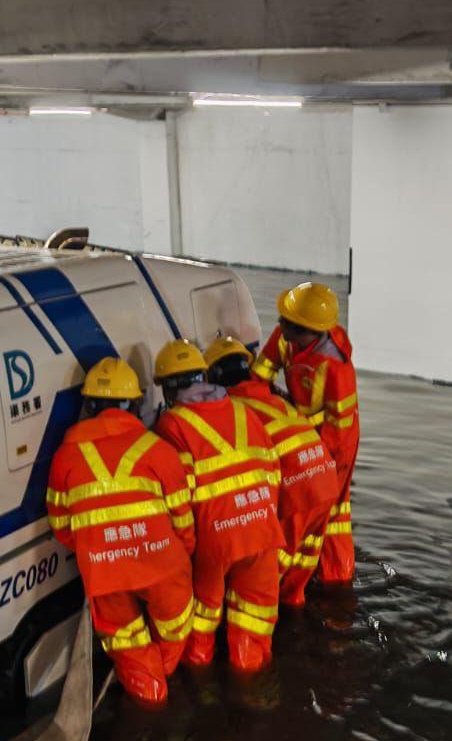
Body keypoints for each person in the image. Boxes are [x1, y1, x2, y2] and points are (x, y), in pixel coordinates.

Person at [45, 357, 194, 706]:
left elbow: (62, 529)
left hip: (104, 572)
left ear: (89, 404)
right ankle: (170, 684)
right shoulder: (159, 450)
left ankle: (152, 700)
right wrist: (181, 553)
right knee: (174, 630)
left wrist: (99, 550)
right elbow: (183, 520)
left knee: (129, 648)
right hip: (163, 566)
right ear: (134, 402)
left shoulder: (64, 457)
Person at [151, 338, 282, 672]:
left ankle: (203, 696)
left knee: (202, 630)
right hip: (263, 530)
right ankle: (254, 694)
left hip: (215, 540)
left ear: (168, 388)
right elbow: (272, 470)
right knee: (254, 624)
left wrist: (188, 552)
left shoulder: (173, 424)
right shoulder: (242, 410)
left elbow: (181, 497)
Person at [206, 336, 338, 607]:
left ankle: (272, 622)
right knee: (303, 560)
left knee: (266, 577)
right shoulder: (271, 398)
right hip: (325, 479)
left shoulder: (234, 412)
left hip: (298, 491)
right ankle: (296, 607)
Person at [252, 282, 359, 586]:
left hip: (335, 443)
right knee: (314, 509)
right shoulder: (286, 338)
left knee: (328, 509)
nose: (278, 323)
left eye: (285, 321)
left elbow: (340, 431)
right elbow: (259, 378)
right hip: (301, 433)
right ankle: (314, 572)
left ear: (306, 330)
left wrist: (319, 466)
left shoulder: (336, 369)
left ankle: (334, 577)